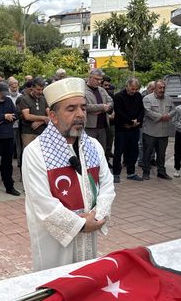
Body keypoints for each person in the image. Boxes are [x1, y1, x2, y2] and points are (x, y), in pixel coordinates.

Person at [22, 77, 115, 271]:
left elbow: (107, 184)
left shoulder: (94, 146)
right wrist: (80, 224)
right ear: (53, 116)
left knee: (85, 282)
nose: (80, 114)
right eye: (71, 109)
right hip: (54, 243)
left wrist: (97, 216)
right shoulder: (35, 152)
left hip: (89, 228)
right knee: (55, 285)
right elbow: (42, 203)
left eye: (83, 107)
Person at [112, 78, 145, 183]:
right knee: (118, 151)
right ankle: (116, 173)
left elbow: (141, 110)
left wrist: (137, 122)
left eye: (136, 89)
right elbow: (119, 113)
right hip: (122, 129)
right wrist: (131, 122)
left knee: (133, 151)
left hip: (134, 129)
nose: (134, 91)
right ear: (127, 86)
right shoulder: (118, 96)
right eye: (132, 89)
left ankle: (131, 173)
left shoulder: (138, 96)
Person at [141, 80, 175, 180]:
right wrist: (161, 117)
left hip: (163, 133)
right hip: (150, 132)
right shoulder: (147, 98)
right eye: (160, 88)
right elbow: (147, 111)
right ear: (155, 88)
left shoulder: (169, 99)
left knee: (161, 154)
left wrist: (168, 115)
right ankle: (146, 172)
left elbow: (174, 110)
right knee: (147, 153)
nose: (162, 90)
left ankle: (161, 172)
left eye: (164, 88)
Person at [84, 68, 113, 157]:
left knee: (101, 153)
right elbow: (85, 106)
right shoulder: (82, 90)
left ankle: (101, 170)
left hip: (103, 127)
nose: (99, 81)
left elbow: (111, 101)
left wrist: (107, 107)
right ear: (90, 77)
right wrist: (102, 107)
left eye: (100, 79)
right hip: (89, 127)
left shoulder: (102, 90)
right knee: (89, 153)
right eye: (97, 79)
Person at [18, 77, 49, 148]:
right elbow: (27, 116)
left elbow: (50, 115)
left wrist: (40, 122)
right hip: (28, 133)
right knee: (29, 155)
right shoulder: (25, 99)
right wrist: (44, 118)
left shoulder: (44, 99)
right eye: (38, 89)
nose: (40, 92)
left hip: (42, 133)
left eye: (42, 89)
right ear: (32, 87)